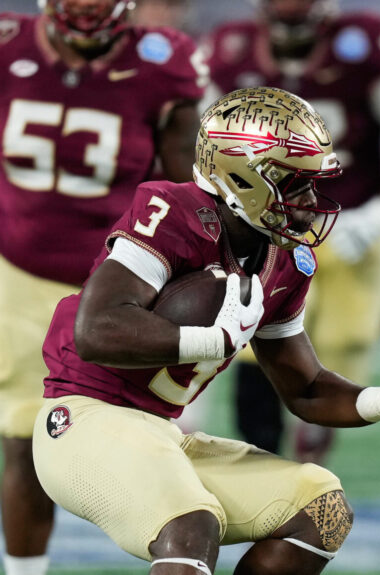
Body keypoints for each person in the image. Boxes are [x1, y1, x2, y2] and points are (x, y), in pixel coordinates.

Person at [31, 86, 380, 574]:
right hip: (83, 420)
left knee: (320, 509)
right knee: (190, 527)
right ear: (242, 176)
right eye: (294, 185)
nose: (309, 202)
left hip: (159, 433)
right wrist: (212, 340)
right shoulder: (172, 210)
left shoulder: (286, 260)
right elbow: (96, 329)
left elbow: (305, 389)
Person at [0, 1, 204, 573]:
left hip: (121, 280)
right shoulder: (8, 44)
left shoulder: (164, 63)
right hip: (20, 273)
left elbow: (182, 187)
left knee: (140, 437)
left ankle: (181, 554)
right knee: (23, 439)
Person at [204, 0, 380, 462]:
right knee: (254, 347)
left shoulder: (364, 47)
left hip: (355, 226)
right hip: (269, 226)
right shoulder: (228, 52)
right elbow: (205, 147)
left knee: (340, 355)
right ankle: (262, 478)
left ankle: (308, 473)